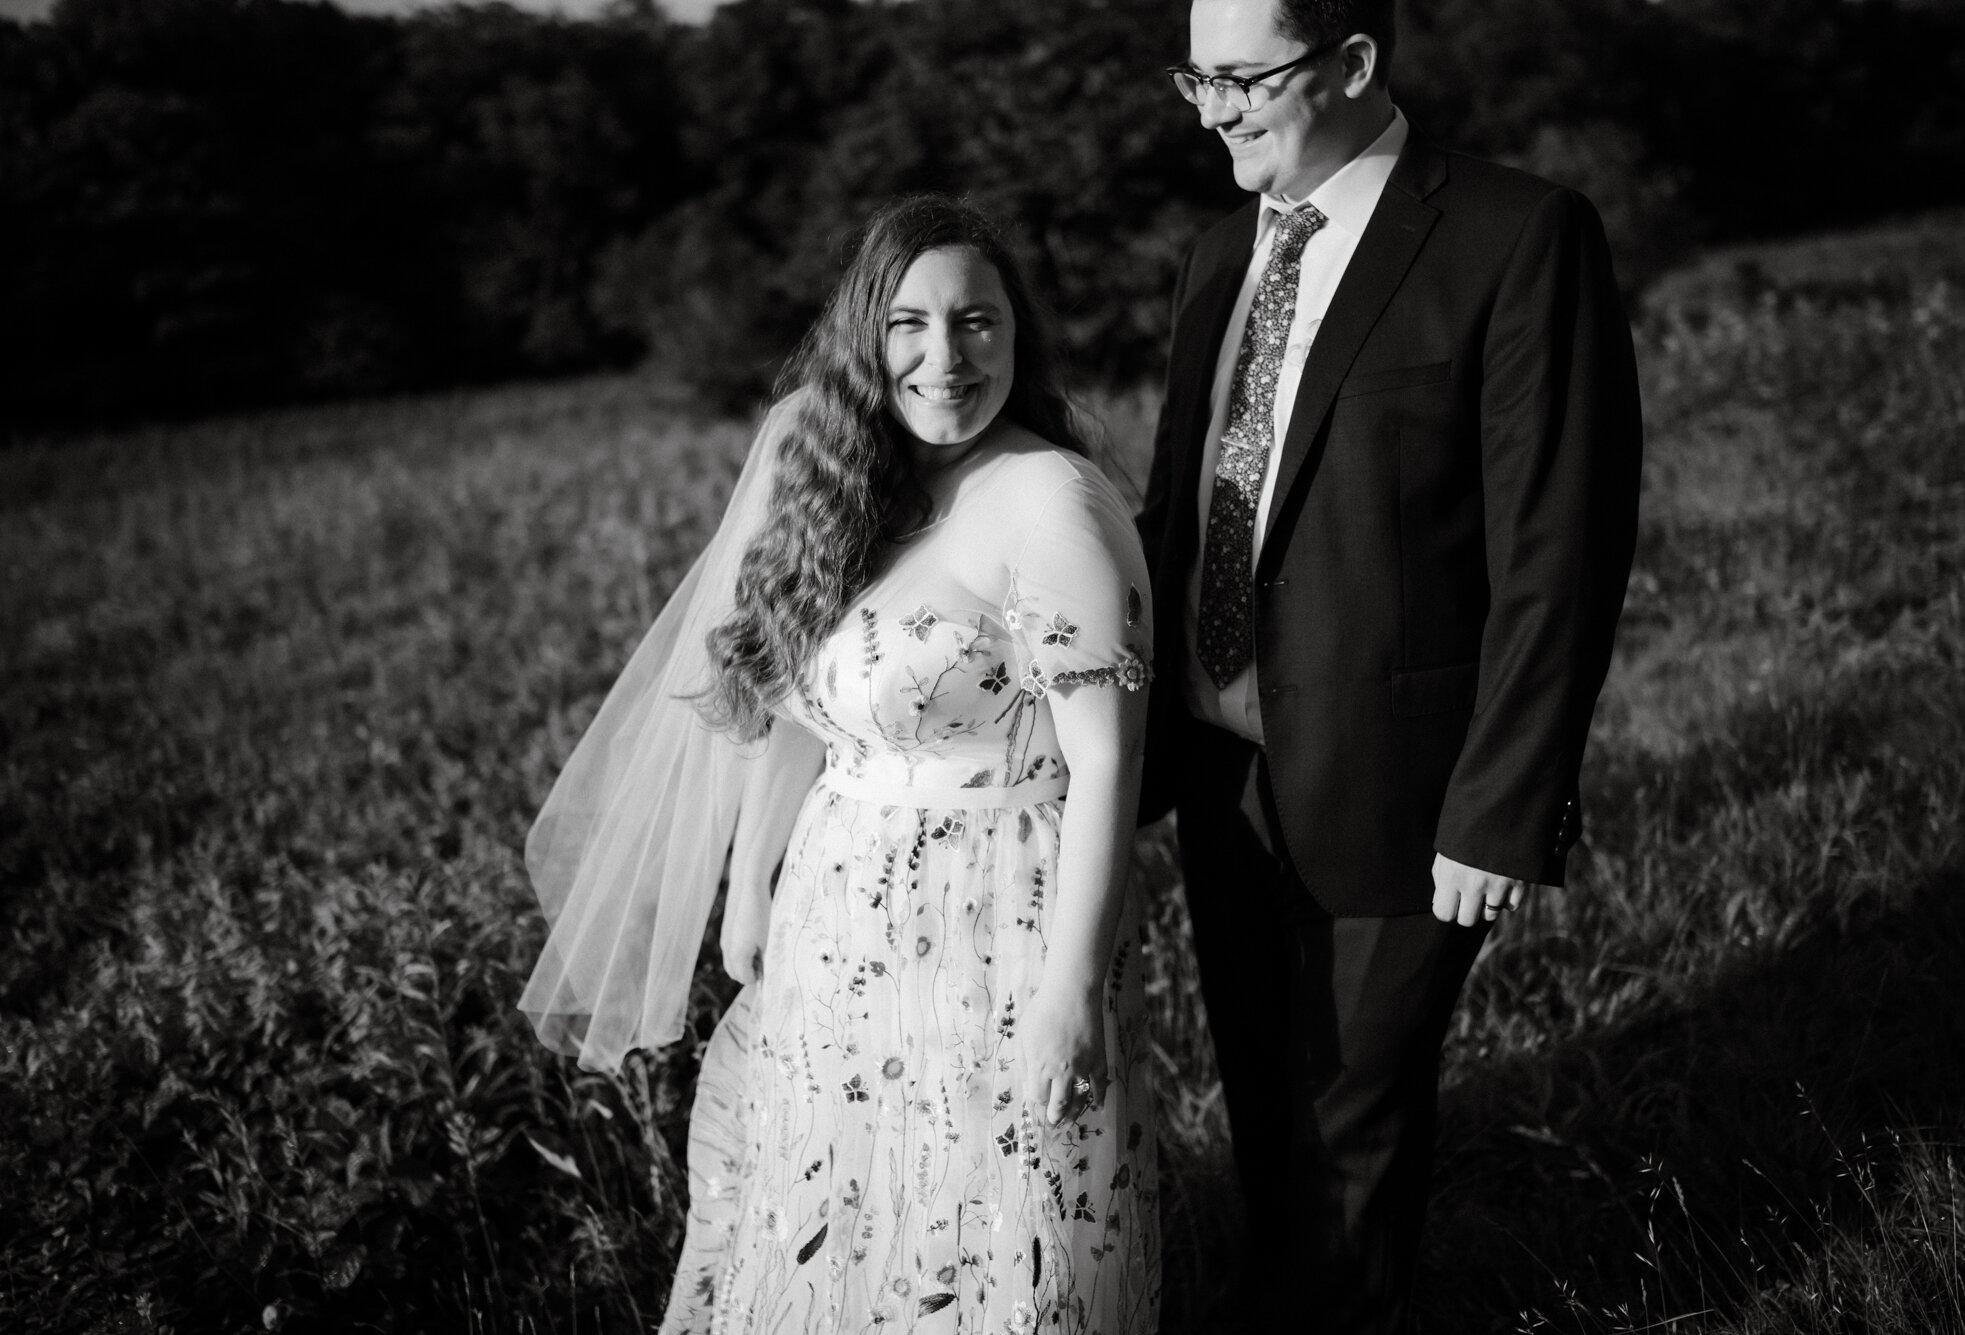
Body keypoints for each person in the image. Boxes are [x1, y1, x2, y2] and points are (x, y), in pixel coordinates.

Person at [519, 195, 1162, 1334]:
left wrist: (1067, 993)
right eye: (908, 324)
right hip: (840, 910)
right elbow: (807, 712)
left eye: (976, 322)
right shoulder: (851, 482)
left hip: (994, 919)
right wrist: (751, 884)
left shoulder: (1048, 501)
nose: (944, 357)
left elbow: (1106, 766)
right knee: (840, 1207)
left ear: (1018, 333)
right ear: (866, 336)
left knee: (979, 1228)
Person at [1136, 0, 1643, 1329]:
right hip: (1219, 773)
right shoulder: (1210, 259)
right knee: (1263, 1102)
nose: (1213, 108)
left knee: (1352, 1122)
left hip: (1407, 793)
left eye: (1244, 77)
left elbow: (1561, 552)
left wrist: (1500, 805)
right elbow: (1177, 517)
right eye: (1197, 76)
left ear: (1356, 60)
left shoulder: (1514, 235)